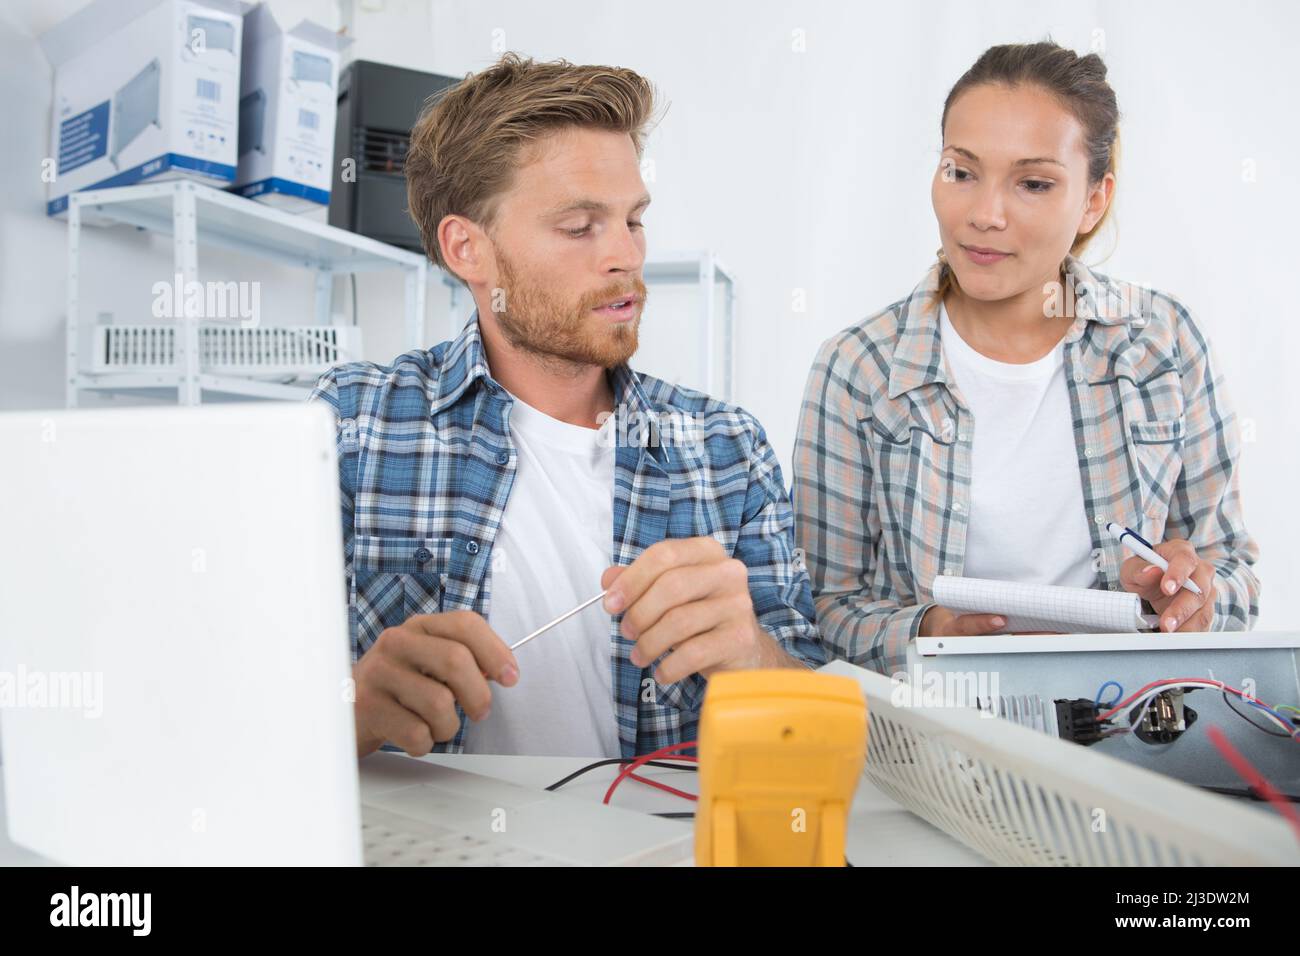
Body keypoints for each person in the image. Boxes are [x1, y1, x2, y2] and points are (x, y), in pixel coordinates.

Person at [310, 53, 824, 759]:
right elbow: (211, 699)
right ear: (468, 248)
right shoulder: (346, 428)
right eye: (581, 227)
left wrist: (757, 658)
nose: (624, 256)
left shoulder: (726, 447)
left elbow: (817, 738)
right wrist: (346, 706)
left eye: (633, 220)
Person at [791, 41, 1258, 675]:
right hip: (934, 746)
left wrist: (1188, 598)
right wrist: (930, 631)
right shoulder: (858, 368)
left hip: (1129, 723)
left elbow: (1233, 575)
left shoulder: (1163, 343)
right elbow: (821, 611)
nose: (984, 214)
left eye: (1033, 183)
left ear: (1094, 199)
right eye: (960, 171)